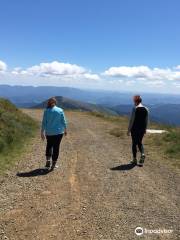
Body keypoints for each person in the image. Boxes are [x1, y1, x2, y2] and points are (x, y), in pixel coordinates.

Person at [41, 97, 67, 170]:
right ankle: (53, 165)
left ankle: (48, 162)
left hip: (49, 132)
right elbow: (63, 121)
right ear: (55, 103)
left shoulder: (46, 111)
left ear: (49, 103)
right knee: (56, 147)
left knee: (49, 146)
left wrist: (42, 132)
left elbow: (44, 122)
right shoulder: (60, 110)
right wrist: (65, 129)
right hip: (59, 132)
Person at [127, 95, 149, 166]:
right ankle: (142, 154)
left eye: (134, 101)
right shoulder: (146, 109)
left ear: (136, 101)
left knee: (134, 143)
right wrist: (145, 129)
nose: (133, 102)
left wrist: (128, 130)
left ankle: (134, 159)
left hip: (135, 129)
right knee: (140, 142)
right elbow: (146, 120)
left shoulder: (135, 108)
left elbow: (132, 120)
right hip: (142, 129)